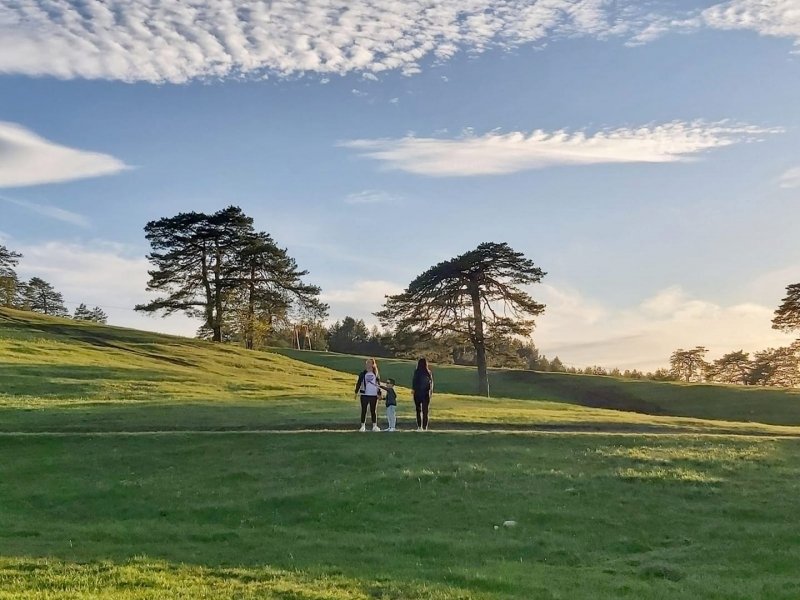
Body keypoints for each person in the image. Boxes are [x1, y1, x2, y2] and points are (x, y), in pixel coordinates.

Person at [355, 358, 381, 432]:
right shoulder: (363, 373)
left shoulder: (375, 374)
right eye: (367, 363)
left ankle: (374, 426)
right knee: (364, 410)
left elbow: (378, 384)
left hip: (373, 395)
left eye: (369, 363)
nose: (367, 364)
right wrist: (356, 392)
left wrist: (379, 393)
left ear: (373, 364)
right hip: (364, 394)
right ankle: (362, 426)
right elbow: (359, 383)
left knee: (373, 410)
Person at [411, 357, 433, 431]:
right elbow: (431, 383)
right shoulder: (428, 372)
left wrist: (413, 389)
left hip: (417, 393)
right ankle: (424, 427)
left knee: (418, 410)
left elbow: (414, 381)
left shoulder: (417, 372)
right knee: (425, 411)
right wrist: (430, 392)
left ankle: (419, 426)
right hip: (426, 394)